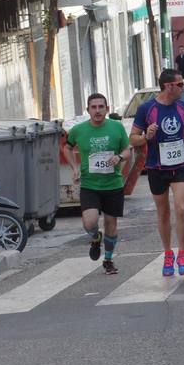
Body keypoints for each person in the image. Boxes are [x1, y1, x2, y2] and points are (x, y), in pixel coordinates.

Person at [129, 69, 184, 276]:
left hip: (181, 164)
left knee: (181, 207)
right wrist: (146, 137)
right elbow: (133, 138)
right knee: (163, 212)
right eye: (180, 85)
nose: (183, 88)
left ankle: (183, 253)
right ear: (168, 86)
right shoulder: (146, 109)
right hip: (156, 166)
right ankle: (168, 253)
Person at [65, 95, 131, 275]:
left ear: (107, 109)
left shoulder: (116, 127)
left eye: (101, 107)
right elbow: (67, 147)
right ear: (88, 110)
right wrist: (74, 167)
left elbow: (127, 149)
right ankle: (95, 238)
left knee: (111, 224)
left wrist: (120, 157)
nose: (97, 110)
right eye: (93, 107)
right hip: (90, 184)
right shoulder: (78, 130)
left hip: (113, 184)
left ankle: (108, 259)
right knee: (90, 221)